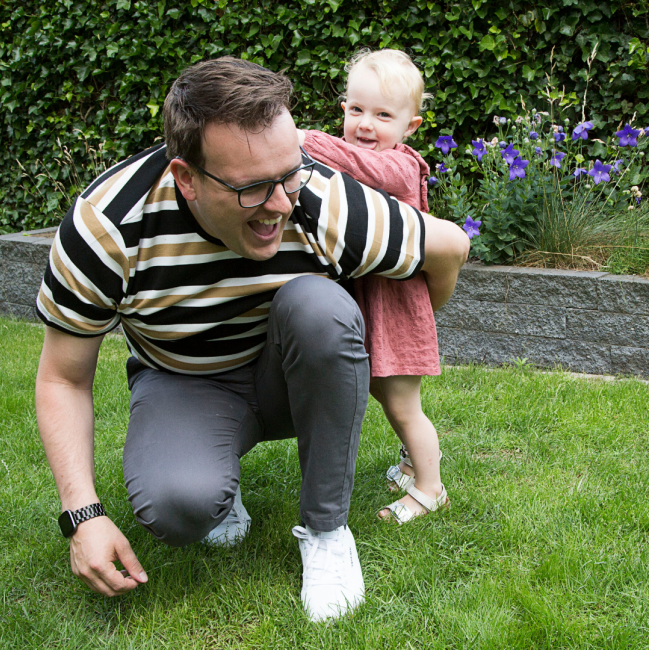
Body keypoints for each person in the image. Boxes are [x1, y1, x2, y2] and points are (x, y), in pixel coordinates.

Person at [34, 57, 469, 622]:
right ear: (185, 178)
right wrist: (82, 514)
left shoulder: (316, 195)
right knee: (178, 507)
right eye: (254, 188)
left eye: (289, 173)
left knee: (321, 308)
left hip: (291, 377)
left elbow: (451, 247)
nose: (283, 204)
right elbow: (62, 377)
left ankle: (327, 533)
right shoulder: (108, 224)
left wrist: (411, 322)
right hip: (184, 380)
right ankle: (214, 477)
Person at [299, 49, 446, 523]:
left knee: (403, 404)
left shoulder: (400, 166)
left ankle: (430, 487)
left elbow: (361, 169)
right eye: (356, 109)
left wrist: (300, 138)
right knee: (384, 395)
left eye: (384, 115)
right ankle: (410, 465)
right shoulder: (356, 158)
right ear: (344, 109)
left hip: (396, 311)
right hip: (368, 307)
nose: (366, 124)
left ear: (411, 127)